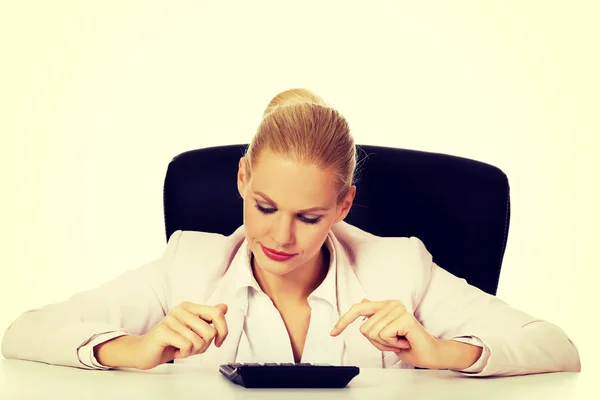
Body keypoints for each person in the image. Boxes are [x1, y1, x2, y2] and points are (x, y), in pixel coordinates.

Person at [1, 89, 581, 377]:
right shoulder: (188, 265)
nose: (280, 235)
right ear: (242, 178)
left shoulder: (401, 267)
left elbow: (557, 348)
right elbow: (24, 332)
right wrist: (138, 348)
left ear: (343, 205)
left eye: (309, 217)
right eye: (265, 206)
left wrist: (434, 351)